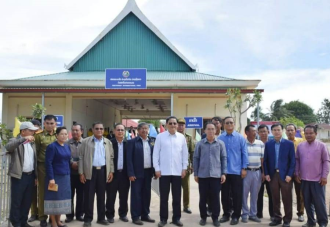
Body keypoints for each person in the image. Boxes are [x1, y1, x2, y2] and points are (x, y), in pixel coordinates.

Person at [153, 116, 188, 227]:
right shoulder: (160, 137)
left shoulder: (181, 138)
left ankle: (176, 218)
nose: (173, 125)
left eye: (174, 123)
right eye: (171, 123)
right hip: (164, 172)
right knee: (164, 198)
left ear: (177, 125)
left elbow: (185, 155)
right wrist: (157, 169)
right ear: (166, 124)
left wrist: (184, 168)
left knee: (177, 197)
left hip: (177, 172)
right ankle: (163, 219)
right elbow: (155, 154)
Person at [79, 121, 114, 227]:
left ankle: (101, 218)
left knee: (102, 196)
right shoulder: (85, 141)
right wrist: (81, 173)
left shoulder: (108, 142)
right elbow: (81, 157)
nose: (99, 130)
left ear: (104, 130)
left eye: (101, 129)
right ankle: (88, 219)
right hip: (90, 171)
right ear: (93, 130)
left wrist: (111, 171)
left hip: (103, 172)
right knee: (89, 196)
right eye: (97, 128)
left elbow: (111, 158)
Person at [193, 122, 227, 227]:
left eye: (213, 129)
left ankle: (215, 218)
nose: (211, 131)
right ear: (205, 131)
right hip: (203, 175)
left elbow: (223, 158)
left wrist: (223, 173)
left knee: (215, 198)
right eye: (209, 129)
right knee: (203, 198)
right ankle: (203, 217)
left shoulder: (220, 143)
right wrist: (196, 173)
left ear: (216, 130)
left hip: (216, 175)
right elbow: (196, 158)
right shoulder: (200, 144)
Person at [295, 125, 330, 227]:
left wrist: (324, 176)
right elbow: (297, 160)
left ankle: (322, 222)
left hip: (318, 180)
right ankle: (311, 221)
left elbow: (326, 161)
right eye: (306, 133)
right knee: (307, 202)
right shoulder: (300, 146)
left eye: (311, 133)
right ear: (304, 134)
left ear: (316, 134)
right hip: (304, 179)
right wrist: (297, 173)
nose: (308, 135)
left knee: (319, 203)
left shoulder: (322, 146)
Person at [6, 122, 39, 227]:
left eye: (33, 131)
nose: (33, 132)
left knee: (27, 201)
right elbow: (8, 147)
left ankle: (23, 221)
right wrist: (22, 139)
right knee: (17, 201)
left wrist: (36, 176)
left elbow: (34, 161)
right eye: (30, 130)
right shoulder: (15, 140)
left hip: (30, 175)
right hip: (19, 176)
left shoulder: (31, 143)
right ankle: (16, 223)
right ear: (23, 131)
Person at [263, 123, 295, 227]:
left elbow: (292, 161)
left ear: (282, 131)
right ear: (271, 132)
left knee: (287, 199)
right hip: (273, 175)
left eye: (279, 130)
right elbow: (266, 161)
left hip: (285, 175)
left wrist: (290, 175)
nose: (277, 132)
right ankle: (277, 218)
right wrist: (266, 173)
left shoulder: (289, 144)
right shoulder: (268, 144)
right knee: (275, 198)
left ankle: (287, 220)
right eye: (274, 130)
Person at [219, 116, 248, 225]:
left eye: (231, 122)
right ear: (224, 125)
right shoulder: (220, 138)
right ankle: (226, 214)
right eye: (227, 123)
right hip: (224, 172)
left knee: (237, 195)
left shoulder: (240, 138)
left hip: (237, 171)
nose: (229, 124)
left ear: (234, 124)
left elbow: (244, 153)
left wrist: (244, 168)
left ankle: (236, 215)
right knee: (225, 195)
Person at [127, 122, 156, 225]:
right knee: (136, 195)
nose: (144, 130)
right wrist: (131, 173)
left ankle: (145, 215)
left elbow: (155, 157)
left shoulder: (152, 141)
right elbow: (129, 159)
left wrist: (155, 171)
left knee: (146, 194)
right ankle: (135, 216)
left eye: (146, 128)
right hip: (137, 173)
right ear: (138, 130)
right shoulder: (132, 142)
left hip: (148, 172)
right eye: (142, 128)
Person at [44, 127, 71, 227]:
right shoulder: (52, 147)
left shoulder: (67, 146)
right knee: (53, 199)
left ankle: (59, 220)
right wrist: (51, 178)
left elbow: (68, 160)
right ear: (57, 135)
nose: (64, 136)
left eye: (65, 134)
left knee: (62, 198)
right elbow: (48, 163)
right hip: (55, 177)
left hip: (65, 177)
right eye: (62, 134)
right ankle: (53, 222)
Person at [34, 115, 57, 227]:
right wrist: (35, 172)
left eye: (51, 123)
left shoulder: (58, 135)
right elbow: (36, 153)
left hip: (56, 167)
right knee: (43, 192)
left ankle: (54, 217)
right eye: (47, 123)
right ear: (44, 124)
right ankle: (42, 217)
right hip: (42, 167)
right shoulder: (38, 136)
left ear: (55, 124)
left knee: (54, 192)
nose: (49, 125)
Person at [106, 123, 130, 223]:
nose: (120, 132)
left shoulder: (128, 144)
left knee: (124, 196)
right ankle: (110, 215)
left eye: (122, 130)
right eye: (118, 130)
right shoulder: (109, 143)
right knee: (111, 196)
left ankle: (123, 214)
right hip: (113, 174)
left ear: (124, 132)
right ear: (114, 131)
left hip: (124, 174)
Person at [241, 125, 264, 223]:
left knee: (255, 195)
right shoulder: (242, 143)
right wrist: (242, 169)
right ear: (247, 133)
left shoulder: (260, 143)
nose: (255, 133)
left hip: (257, 172)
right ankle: (245, 214)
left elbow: (262, 159)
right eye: (253, 131)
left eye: (256, 131)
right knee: (244, 194)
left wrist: (263, 172)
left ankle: (253, 214)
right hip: (246, 172)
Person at [65, 124, 84, 223]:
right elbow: (65, 156)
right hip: (69, 174)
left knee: (81, 195)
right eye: (73, 130)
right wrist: (71, 163)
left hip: (82, 174)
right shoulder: (66, 143)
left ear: (82, 131)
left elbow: (88, 157)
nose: (75, 132)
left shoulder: (86, 143)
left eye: (77, 130)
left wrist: (79, 164)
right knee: (69, 195)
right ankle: (69, 215)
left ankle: (80, 214)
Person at [285, 124, 304, 222]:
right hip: (287, 172)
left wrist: (302, 132)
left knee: (300, 194)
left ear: (295, 131)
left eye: (292, 130)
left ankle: (300, 213)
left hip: (299, 172)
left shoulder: (301, 141)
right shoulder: (283, 142)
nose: (290, 132)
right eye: (288, 130)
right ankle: (288, 214)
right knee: (287, 194)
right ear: (285, 131)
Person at [177, 118, 195, 214]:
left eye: (182, 125)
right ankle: (176, 206)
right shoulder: (173, 136)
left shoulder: (188, 138)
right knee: (176, 188)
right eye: (179, 125)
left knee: (186, 188)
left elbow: (192, 152)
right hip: (175, 167)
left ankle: (186, 206)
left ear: (185, 126)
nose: (180, 126)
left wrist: (192, 165)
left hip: (185, 167)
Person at [256, 125, 274, 220]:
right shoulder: (256, 143)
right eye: (261, 132)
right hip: (259, 172)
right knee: (259, 193)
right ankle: (259, 213)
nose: (263, 133)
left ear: (268, 132)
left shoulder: (272, 143)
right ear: (258, 133)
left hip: (270, 173)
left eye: (264, 131)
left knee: (271, 194)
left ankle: (272, 214)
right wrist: (262, 172)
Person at [28, 119, 41, 222]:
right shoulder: (29, 137)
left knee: (42, 193)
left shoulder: (41, 135)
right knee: (33, 193)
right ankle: (33, 213)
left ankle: (42, 214)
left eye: (36, 127)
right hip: (31, 167)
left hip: (41, 167)